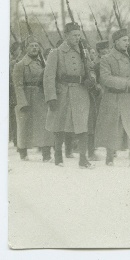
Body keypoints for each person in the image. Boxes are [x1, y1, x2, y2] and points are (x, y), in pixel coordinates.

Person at [43, 22, 95, 168]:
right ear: (66, 36)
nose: (77, 38)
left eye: (79, 35)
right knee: (59, 125)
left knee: (82, 126)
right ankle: (58, 157)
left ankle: (83, 159)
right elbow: (48, 77)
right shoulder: (56, 53)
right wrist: (51, 97)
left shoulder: (83, 52)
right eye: (74, 35)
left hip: (81, 93)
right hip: (62, 93)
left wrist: (92, 79)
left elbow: (91, 69)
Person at [95, 29, 130, 167]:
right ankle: (110, 157)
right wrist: (126, 83)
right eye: (124, 40)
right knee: (112, 127)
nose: (127, 43)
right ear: (116, 42)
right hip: (113, 97)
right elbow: (105, 78)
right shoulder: (107, 59)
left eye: (128, 40)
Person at [12, 36, 54, 161]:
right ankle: (23, 152)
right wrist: (22, 102)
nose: (35, 48)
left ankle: (46, 154)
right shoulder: (20, 65)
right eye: (31, 46)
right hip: (27, 98)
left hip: (41, 97)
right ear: (25, 49)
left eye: (36, 46)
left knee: (45, 126)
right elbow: (18, 85)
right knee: (25, 126)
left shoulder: (43, 62)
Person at [87, 40, 109, 162]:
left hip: (108, 95)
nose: (107, 51)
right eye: (104, 50)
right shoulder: (96, 64)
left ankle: (110, 150)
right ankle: (91, 151)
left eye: (108, 49)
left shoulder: (107, 61)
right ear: (99, 51)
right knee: (94, 123)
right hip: (98, 96)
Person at [9, 41, 23, 148]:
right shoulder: (13, 63)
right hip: (12, 92)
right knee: (14, 117)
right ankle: (15, 139)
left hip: (16, 92)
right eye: (18, 49)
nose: (20, 51)